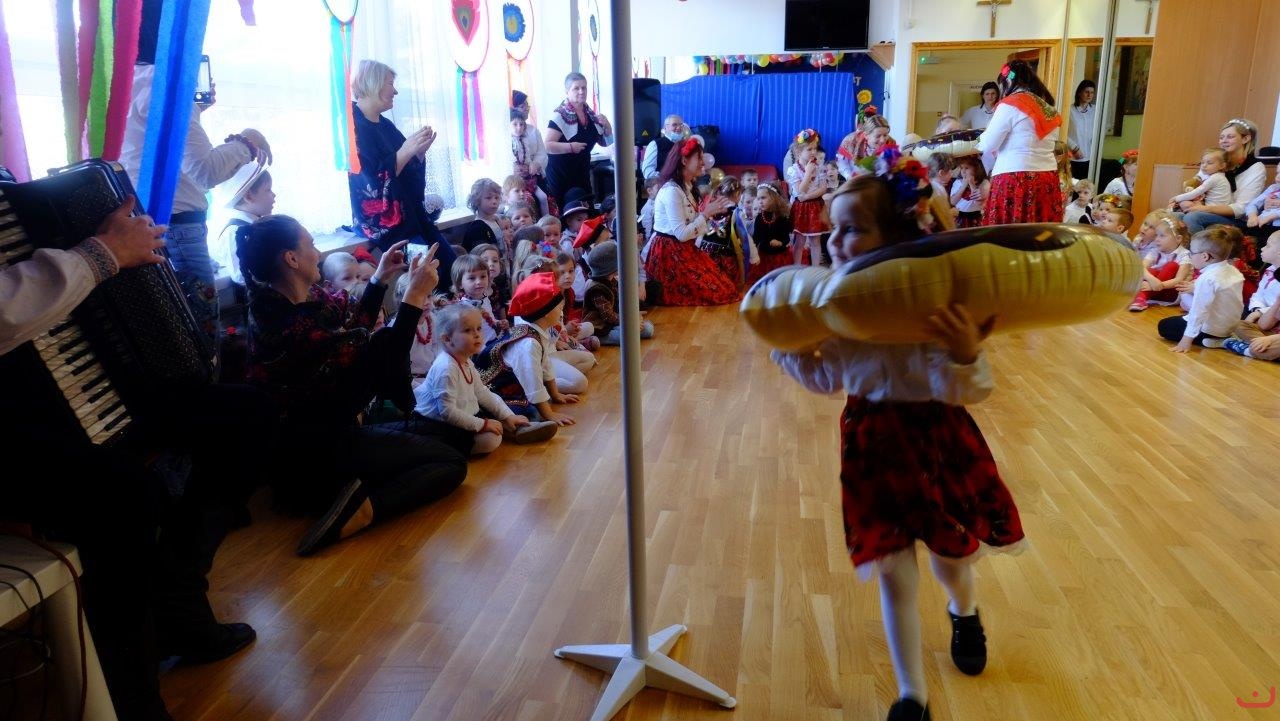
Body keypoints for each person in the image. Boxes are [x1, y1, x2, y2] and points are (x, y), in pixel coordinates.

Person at [771, 168, 1022, 721]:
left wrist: (964, 353)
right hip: (872, 446)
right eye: (834, 229)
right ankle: (913, 696)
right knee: (894, 573)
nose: (835, 242)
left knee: (951, 560)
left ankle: (964, 610)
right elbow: (827, 379)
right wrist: (789, 346)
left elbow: (970, 391)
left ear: (897, 235)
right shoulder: (839, 311)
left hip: (936, 442)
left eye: (852, 229)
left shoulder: (931, 310)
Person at [0, 198, 262, 721]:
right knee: (124, 494)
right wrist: (102, 254)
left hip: (58, 377)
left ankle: (178, 597)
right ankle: (134, 699)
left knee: (245, 415)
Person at [237, 216, 467, 556]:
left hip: (329, 437)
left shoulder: (294, 300)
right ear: (291, 258)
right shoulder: (289, 325)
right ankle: (364, 508)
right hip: (312, 458)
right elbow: (380, 358)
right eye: (310, 245)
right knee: (452, 463)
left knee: (453, 435)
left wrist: (379, 278)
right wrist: (415, 294)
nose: (317, 253)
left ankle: (353, 490)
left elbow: (355, 327)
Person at [119, 43, 271, 349]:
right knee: (201, 332)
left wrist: (195, 109)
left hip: (154, 225)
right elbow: (205, 171)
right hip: (178, 229)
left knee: (176, 326)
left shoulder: (126, 83)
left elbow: (160, 148)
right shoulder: (164, 85)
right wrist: (248, 142)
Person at [347, 60, 457, 278]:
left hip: (414, 217)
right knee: (427, 277)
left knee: (453, 269)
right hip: (392, 228)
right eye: (390, 84)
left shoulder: (386, 125)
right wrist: (406, 152)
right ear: (373, 83)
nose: (395, 91)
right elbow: (370, 184)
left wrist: (418, 154)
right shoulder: (354, 128)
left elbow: (405, 170)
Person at [410, 303, 554, 456]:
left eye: (478, 328)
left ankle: (514, 427)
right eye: (467, 330)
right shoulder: (446, 368)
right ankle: (441, 449)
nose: (477, 334)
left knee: (499, 416)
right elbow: (447, 412)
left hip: (459, 413)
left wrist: (507, 415)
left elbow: (481, 392)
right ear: (447, 339)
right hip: (435, 424)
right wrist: (483, 424)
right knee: (491, 439)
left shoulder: (465, 360)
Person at [643, 137, 740, 306]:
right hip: (669, 254)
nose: (703, 162)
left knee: (726, 287)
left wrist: (710, 213)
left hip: (684, 247)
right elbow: (681, 234)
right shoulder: (671, 191)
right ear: (684, 161)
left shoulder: (686, 187)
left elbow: (692, 225)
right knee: (719, 293)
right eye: (699, 158)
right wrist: (706, 214)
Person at [477, 272, 582, 425]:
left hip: (515, 386)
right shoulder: (529, 344)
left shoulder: (538, 331)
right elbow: (532, 380)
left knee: (535, 405)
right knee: (530, 413)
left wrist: (555, 394)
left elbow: (545, 365)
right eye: (559, 308)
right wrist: (549, 414)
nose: (561, 312)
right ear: (546, 313)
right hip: (498, 391)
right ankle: (515, 429)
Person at [978, 61, 1064, 225]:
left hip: (1015, 176)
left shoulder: (1010, 104)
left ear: (1009, 81)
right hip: (1047, 176)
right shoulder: (1048, 107)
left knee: (1011, 232)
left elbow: (988, 144)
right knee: (1040, 229)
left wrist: (977, 141)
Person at [1158, 226, 1244, 351]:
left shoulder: (1208, 278)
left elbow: (1199, 311)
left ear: (1205, 256)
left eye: (1192, 253)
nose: (1190, 256)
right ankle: (1219, 338)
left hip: (1211, 329)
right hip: (1230, 327)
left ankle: (1210, 339)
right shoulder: (1233, 271)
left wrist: (1186, 341)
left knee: (1164, 326)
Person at [1178, 119, 1266, 236]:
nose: (1224, 141)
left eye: (1230, 137)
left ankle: (1197, 248)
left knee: (1193, 218)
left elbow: (1242, 209)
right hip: (1206, 209)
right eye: (1221, 137)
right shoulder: (1214, 161)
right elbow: (1197, 187)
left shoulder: (1256, 168)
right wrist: (1183, 202)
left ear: (1245, 139)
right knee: (1175, 216)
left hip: (1235, 219)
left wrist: (1204, 209)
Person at [544, 72, 614, 209]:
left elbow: (605, 142)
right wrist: (570, 147)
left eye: (584, 87)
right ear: (567, 91)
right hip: (561, 174)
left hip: (582, 171)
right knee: (567, 212)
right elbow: (547, 145)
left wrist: (607, 125)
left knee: (586, 210)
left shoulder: (591, 115)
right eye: (576, 88)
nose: (581, 91)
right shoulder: (559, 115)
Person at [1224, 231, 1280, 359]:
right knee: (1238, 325)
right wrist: (1257, 310)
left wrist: (1271, 339)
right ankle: (1261, 347)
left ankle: (1249, 349)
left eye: (1268, 245)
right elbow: (1259, 294)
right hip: (1270, 321)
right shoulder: (1270, 270)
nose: (1262, 248)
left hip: (1272, 327)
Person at [1130, 215, 1192, 312]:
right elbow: (1142, 267)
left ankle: (1141, 296)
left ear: (1178, 239)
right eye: (1156, 235)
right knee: (1151, 271)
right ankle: (1141, 298)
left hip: (1171, 293)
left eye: (1162, 236)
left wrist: (1159, 285)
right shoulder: (1155, 251)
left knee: (1172, 266)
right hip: (1152, 290)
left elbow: (1179, 280)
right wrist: (1151, 280)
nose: (1157, 239)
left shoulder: (1184, 254)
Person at [510, 110, 554, 217]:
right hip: (514, 182)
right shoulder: (506, 140)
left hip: (530, 178)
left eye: (521, 124)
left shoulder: (530, 134)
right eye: (515, 124)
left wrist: (535, 164)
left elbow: (541, 154)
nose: (519, 127)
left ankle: (545, 220)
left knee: (543, 197)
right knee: (525, 200)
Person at [462, 178, 504, 253]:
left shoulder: (497, 220)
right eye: (489, 198)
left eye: (496, 197)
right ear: (476, 201)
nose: (494, 201)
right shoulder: (477, 228)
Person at [642, 114, 688, 181]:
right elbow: (648, 172)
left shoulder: (685, 145)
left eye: (681, 125)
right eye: (674, 125)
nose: (678, 128)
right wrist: (668, 180)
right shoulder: (655, 144)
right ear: (666, 127)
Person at [1066, 79, 1096, 180]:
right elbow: (1062, 132)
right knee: (1074, 186)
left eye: (1092, 92)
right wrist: (1075, 148)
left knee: (1087, 187)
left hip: (1091, 158)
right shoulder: (1069, 110)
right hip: (1073, 157)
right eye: (1086, 92)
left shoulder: (1095, 110)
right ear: (1079, 93)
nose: (1089, 95)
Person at [949, 156, 989, 229]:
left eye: (967, 168)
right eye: (961, 168)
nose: (963, 171)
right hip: (960, 216)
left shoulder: (984, 182)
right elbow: (953, 202)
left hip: (977, 217)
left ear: (976, 169)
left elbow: (979, 202)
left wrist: (971, 184)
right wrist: (963, 185)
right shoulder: (958, 182)